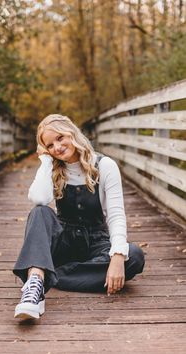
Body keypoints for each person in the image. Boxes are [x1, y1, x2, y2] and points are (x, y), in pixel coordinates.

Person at [13, 114, 145, 320]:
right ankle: (36, 287)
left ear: (71, 133)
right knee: (40, 212)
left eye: (60, 138)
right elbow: (39, 198)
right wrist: (46, 161)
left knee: (134, 256)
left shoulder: (104, 165)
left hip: (96, 242)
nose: (56, 147)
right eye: (50, 145)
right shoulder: (54, 168)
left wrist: (118, 257)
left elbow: (116, 214)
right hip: (64, 242)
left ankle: (49, 274)